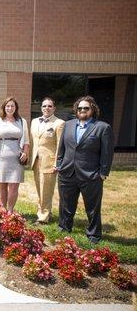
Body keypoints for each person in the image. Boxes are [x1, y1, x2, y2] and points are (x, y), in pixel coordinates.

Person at [56, 96, 113, 244]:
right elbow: (61, 148)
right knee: (65, 204)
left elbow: (107, 153)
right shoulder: (68, 125)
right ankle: (64, 228)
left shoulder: (102, 127)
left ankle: (93, 235)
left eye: (86, 108)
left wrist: (103, 173)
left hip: (91, 175)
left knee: (92, 208)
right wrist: (60, 164)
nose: (82, 110)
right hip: (67, 172)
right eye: (80, 108)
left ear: (92, 109)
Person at [0, 97, 30, 212]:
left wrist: (26, 153)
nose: (10, 108)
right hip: (1, 156)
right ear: (4, 107)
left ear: (15, 108)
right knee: (1, 184)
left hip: (16, 157)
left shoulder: (22, 121)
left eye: (12, 106)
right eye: (7, 106)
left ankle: (10, 211)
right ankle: (2, 209)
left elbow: (26, 141)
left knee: (14, 185)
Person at [30, 97, 65, 224]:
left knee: (46, 189)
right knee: (40, 188)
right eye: (44, 106)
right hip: (36, 160)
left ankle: (43, 217)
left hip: (49, 161)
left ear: (54, 108)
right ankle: (44, 211)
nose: (47, 108)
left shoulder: (59, 123)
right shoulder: (34, 121)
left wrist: (57, 162)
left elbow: (60, 145)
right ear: (41, 108)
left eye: (50, 106)